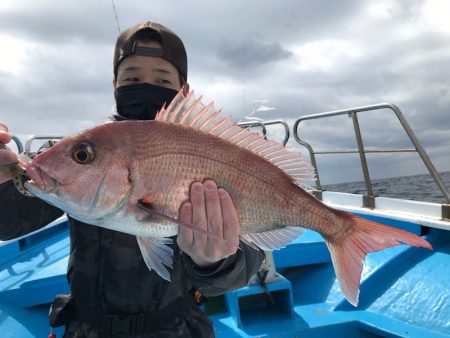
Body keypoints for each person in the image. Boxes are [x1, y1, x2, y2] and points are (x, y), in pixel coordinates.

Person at [0, 21, 264, 338]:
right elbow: (8, 221)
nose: (145, 85)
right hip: (87, 327)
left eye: (162, 78)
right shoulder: (74, 152)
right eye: (133, 77)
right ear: (115, 84)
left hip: (176, 327)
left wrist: (214, 263)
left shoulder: (209, 148)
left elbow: (234, 277)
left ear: (184, 90)